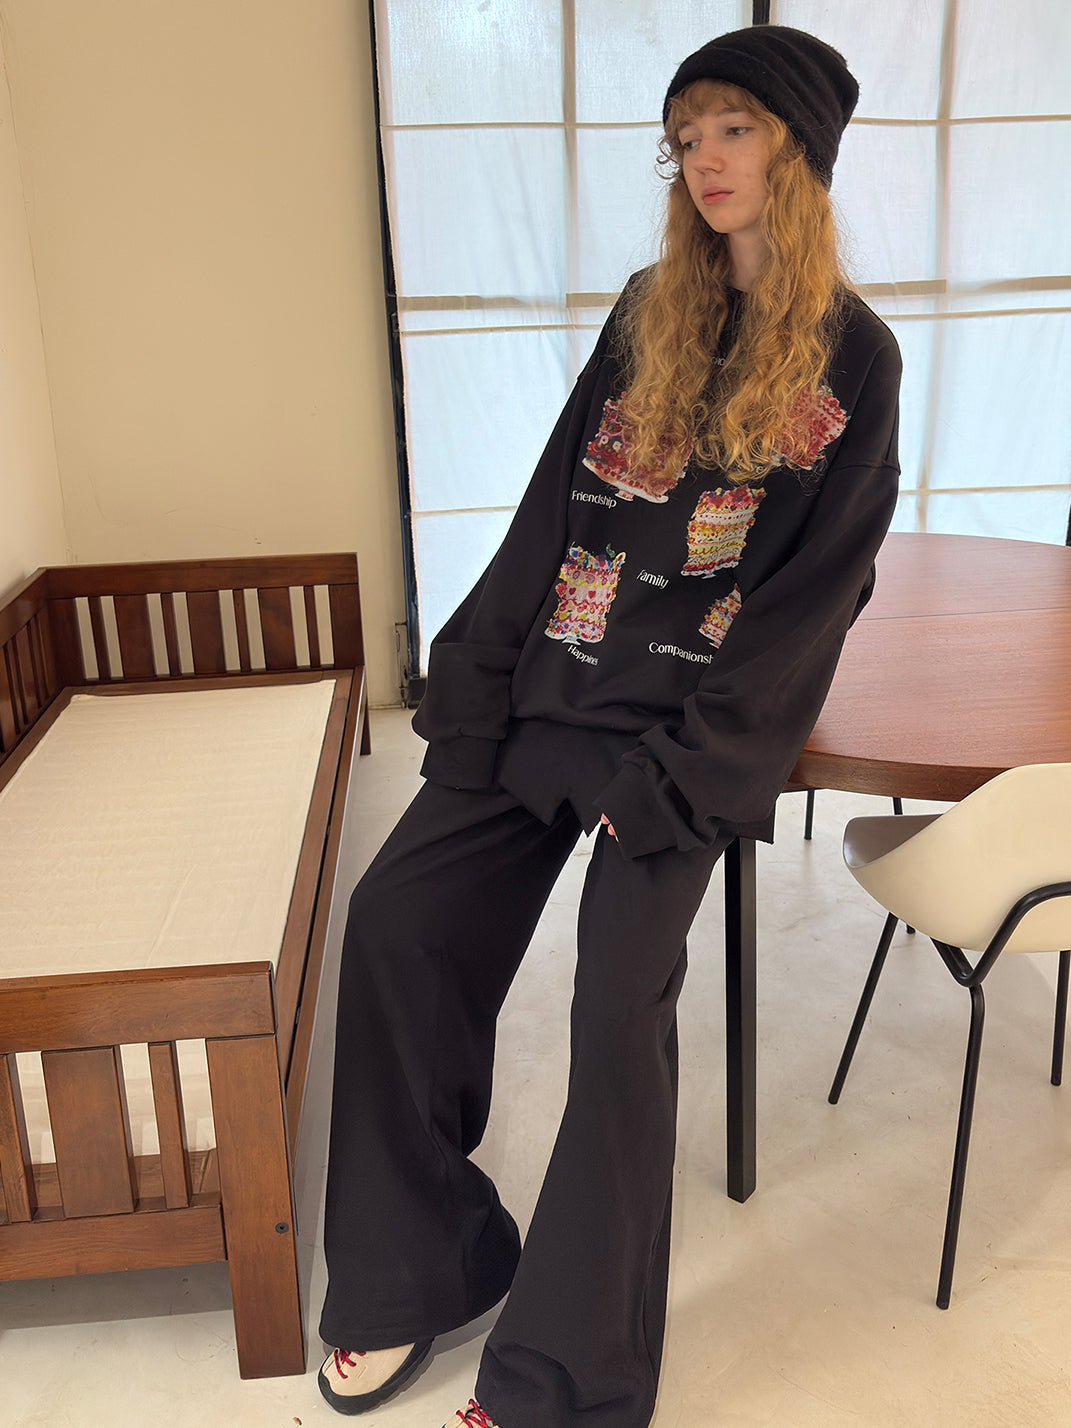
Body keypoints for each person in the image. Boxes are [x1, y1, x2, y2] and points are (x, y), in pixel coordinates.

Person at [317, 23, 901, 1428]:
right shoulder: (651, 307)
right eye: (686, 136)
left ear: (799, 150)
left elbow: (818, 593)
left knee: (613, 1008)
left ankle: (565, 1376)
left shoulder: (858, 357)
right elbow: (553, 509)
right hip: (553, 690)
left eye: (735, 129)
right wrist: (475, 687)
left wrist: (691, 776)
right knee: (394, 923)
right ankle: (423, 1268)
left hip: (683, 738)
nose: (705, 159)